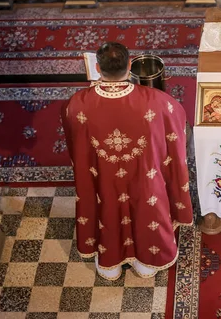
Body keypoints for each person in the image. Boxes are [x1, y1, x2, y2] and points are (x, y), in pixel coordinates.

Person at [61, 42, 193, 281]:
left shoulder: (78, 104)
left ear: (98, 68)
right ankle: (147, 261)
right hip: (145, 177)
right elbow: (178, 124)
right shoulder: (157, 101)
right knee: (147, 208)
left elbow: (75, 143)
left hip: (103, 179)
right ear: (130, 66)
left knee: (108, 207)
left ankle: (109, 262)